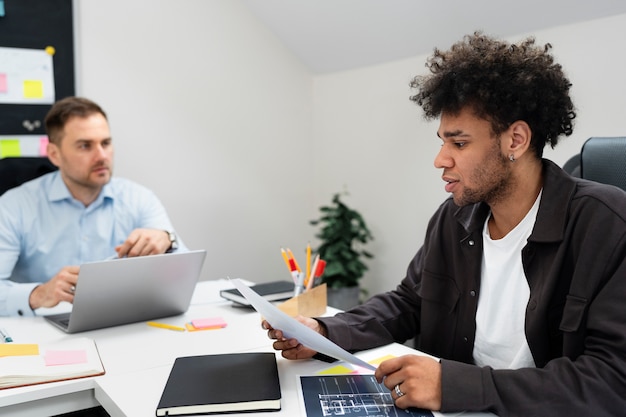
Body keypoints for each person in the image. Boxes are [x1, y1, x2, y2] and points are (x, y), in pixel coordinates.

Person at [263, 32, 626, 416]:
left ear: (515, 140)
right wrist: (325, 332)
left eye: (459, 143)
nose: (440, 159)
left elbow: (611, 380)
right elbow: (408, 302)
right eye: (442, 142)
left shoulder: (607, 227)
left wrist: (454, 385)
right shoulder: (454, 218)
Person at [0, 96, 186, 317]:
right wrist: (38, 294)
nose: (101, 156)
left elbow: (183, 277)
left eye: (106, 143)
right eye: (85, 146)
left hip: (121, 320)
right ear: (54, 154)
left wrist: (167, 239)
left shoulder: (138, 198)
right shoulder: (14, 206)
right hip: (43, 329)